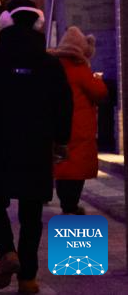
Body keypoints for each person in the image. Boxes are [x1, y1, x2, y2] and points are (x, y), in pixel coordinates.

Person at [0, 0, 72, 294]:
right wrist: (61, 140)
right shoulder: (49, 63)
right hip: (36, 145)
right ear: (38, 25)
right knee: (32, 212)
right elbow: (63, 104)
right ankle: (28, 278)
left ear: (5, 22)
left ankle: (7, 251)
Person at [51, 26, 108, 215]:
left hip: (59, 123)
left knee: (62, 165)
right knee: (77, 169)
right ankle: (70, 205)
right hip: (80, 125)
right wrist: (98, 79)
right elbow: (99, 92)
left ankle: (65, 203)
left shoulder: (55, 65)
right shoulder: (79, 68)